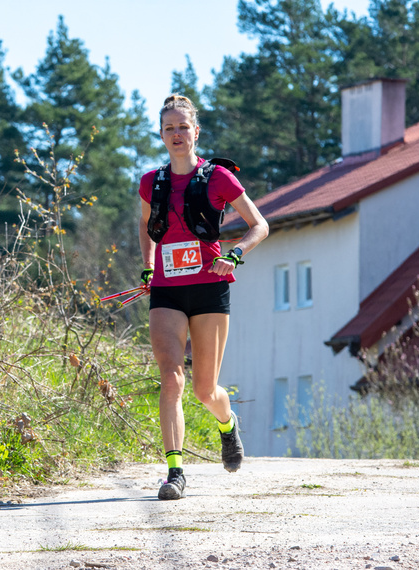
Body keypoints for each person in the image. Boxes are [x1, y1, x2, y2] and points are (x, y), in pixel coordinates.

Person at [138, 94, 269, 500]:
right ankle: (174, 472)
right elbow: (146, 227)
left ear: (196, 132)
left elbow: (259, 225)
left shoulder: (218, 179)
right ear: (161, 135)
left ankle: (227, 424)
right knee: (171, 378)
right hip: (166, 290)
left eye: (183, 127)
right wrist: (147, 266)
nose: (177, 135)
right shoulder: (151, 182)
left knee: (203, 389)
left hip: (210, 288)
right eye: (169, 128)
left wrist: (234, 255)